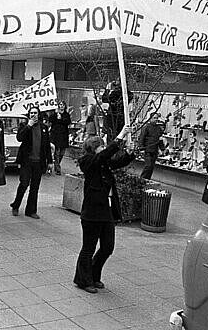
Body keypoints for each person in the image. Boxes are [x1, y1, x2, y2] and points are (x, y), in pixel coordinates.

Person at [73, 125, 134, 294]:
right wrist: (121, 135)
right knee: (88, 248)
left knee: (108, 247)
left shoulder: (103, 163)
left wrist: (130, 153)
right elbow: (103, 156)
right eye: (101, 146)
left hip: (106, 211)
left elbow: (116, 161)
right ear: (94, 149)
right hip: (92, 213)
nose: (103, 148)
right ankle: (83, 280)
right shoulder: (88, 162)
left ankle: (93, 274)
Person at [10, 106, 53, 219]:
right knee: (24, 184)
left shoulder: (43, 127)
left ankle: (31, 210)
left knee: (35, 187)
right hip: (27, 161)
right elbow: (19, 138)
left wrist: (50, 161)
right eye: (31, 113)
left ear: (39, 114)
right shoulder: (24, 126)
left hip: (38, 162)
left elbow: (47, 145)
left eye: (35, 113)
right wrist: (28, 126)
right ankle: (16, 205)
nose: (33, 115)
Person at [137, 112, 165, 180]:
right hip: (147, 150)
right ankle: (141, 179)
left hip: (155, 150)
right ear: (150, 119)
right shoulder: (146, 127)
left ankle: (147, 180)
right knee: (148, 166)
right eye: (154, 118)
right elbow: (141, 138)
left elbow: (160, 139)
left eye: (157, 118)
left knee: (151, 167)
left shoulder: (159, 128)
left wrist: (162, 149)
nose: (156, 119)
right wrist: (141, 149)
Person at [49, 101, 71, 175]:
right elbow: (51, 120)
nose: (61, 106)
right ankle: (58, 169)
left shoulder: (66, 114)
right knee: (57, 153)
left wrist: (60, 118)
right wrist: (55, 114)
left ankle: (57, 165)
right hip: (56, 136)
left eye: (63, 105)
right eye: (60, 105)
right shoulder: (55, 114)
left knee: (62, 153)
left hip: (63, 137)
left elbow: (67, 122)